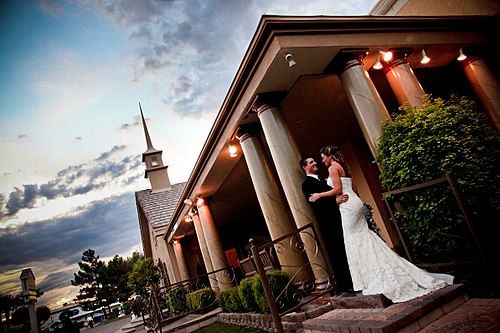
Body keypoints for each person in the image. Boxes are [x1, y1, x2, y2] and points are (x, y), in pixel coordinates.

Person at [309, 145, 454, 303]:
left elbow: (337, 189)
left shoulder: (333, 168)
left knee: (354, 239)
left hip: (348, 206)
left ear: (329, 156)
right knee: (364, 237)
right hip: (354, 202)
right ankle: (375, 272)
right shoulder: (344, 166)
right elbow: (354, 188)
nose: (322, 160)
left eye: (323, 157)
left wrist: (319, 195)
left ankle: (370, 277)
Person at [300, 156, 353, 293]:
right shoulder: (306, 185)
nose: (315, 163)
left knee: (347, 247)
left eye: (315, 161)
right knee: (337, 252)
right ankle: (344, 284)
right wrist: (335, 202)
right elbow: (316, 204)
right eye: (311, 162)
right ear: (305, 167)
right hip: (328, 222)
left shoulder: (323, 180)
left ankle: (354, 279)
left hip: (341, 217)